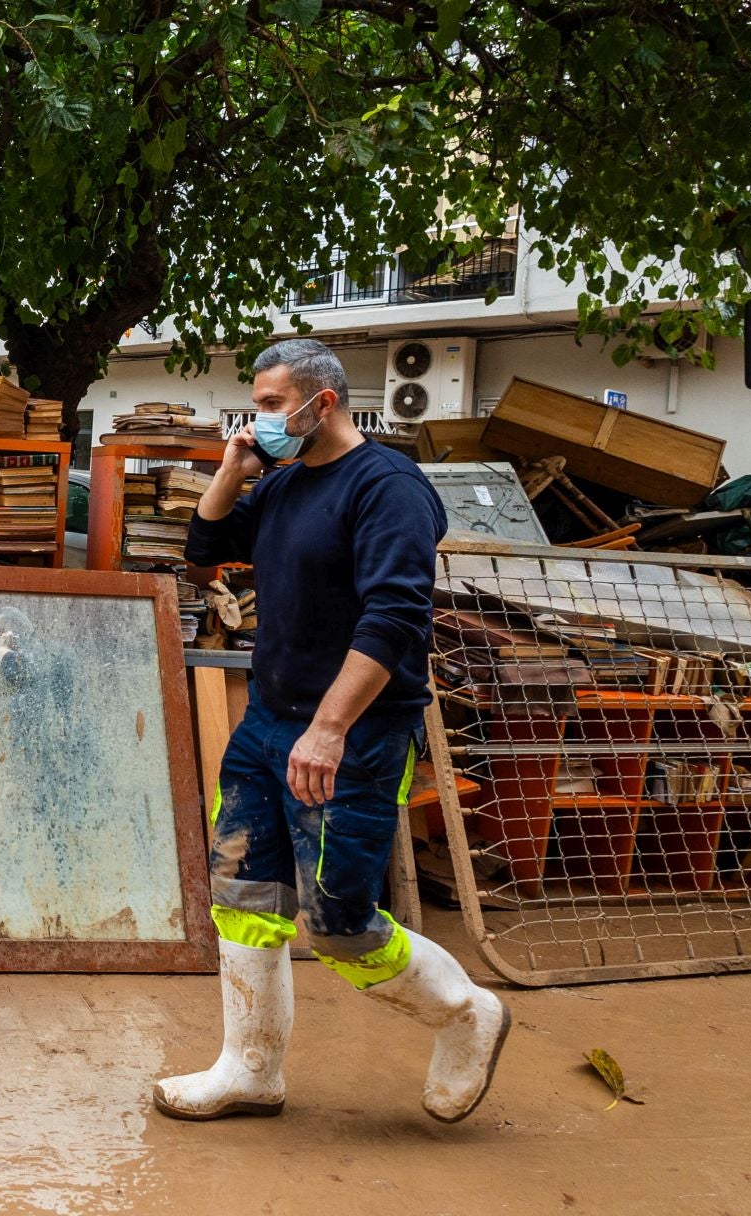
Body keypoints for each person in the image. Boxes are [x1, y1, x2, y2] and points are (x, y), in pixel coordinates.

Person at [152, 338, 510, 1124]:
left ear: (324, 402)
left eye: (273, 404)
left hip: (351, 735)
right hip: (267, 726)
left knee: (340, 925)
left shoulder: (387, 487)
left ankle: (466, 1016)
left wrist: (329, 726)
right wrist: (235, 466)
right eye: (256, 403)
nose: (260, 417)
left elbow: (395, 619)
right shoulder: (283, 487)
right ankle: (249, 1069)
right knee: (244, 896)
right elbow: (204, 549)